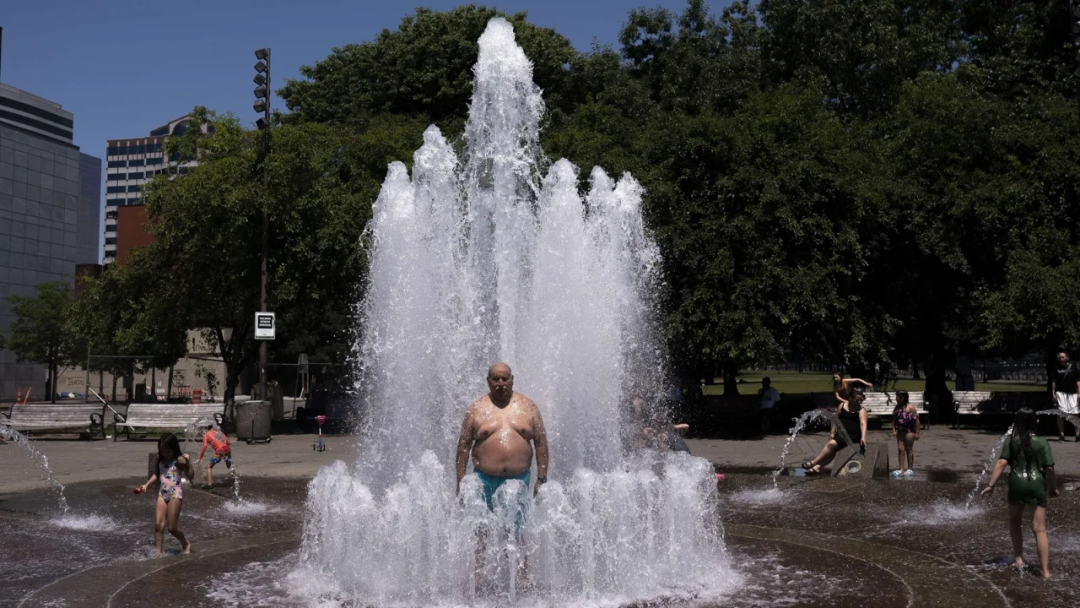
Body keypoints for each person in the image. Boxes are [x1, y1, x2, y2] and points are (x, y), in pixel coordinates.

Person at [456, 363, 549, 524]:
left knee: (513, 535)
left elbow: (541, 444)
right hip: (483, 481)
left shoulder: (528, 407)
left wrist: (541, 479)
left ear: (512, 380)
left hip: (518, 481)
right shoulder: (476, 409)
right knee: (481, 535)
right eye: (495, 379)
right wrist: (460, 484)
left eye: (504, 379)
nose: (500, 383)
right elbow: (463, 448)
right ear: (488, 381)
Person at [980, 408, 1059, 579]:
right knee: (1039, 529)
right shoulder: (1042, 442)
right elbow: (1050, 469)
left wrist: (991, 485)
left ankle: (1019, 559)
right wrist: (1052, 487)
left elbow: (1001, 463)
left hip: (1017, 484)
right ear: (1035, 422)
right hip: (1037, 485)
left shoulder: (1011, 440)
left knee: (1015, 522)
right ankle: (1045, 571)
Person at [139, 433, 194, 556]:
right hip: (162, 493)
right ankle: (159, 554)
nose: (165, 454)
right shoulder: (161, 459)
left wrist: (188, 463)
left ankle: (185, 542)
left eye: (168, 451)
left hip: (175, 494)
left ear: (174, 448)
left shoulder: (179, 460)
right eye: (162, 451)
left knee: (171, 528)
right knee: (158, 525)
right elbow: (157, 474)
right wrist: (146, 484)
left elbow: (191, 476)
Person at [804, 389, 868, 474]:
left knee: (831, 444)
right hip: (841, 434)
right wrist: (832, 432)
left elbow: (863, 424)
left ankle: (813, 462)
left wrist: (863, 437)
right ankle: (817, 467)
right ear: (851, 398)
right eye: (857, 400)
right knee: (832, 449)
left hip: (853, 436)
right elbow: (835, 420)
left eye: (861, 400)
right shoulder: (842, 405)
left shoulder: (861, 410)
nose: (859, 402)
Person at [1051, 350, 1080, 442]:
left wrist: (1079, 393)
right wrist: (1053, 393)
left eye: (1062, 357)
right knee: (1061, 413)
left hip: (1072, 393)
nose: (1061, 359)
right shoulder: (1056, 367)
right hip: (1061, 392)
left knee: (1075, 413)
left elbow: (1078, 381)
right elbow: (1054, 381)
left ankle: (1077, 435)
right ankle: (1061, 434)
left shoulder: (1074, 367)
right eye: (1059, 357)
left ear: (1067, 358)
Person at [891, 390, 920, 476]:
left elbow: (917, 420)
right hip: (900, 430)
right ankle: (901, 469)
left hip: (909, 431)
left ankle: (910, 468)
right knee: (900, 449)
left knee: (909, 449)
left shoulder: (910, 407)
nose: (896, 398)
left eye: (897, 397)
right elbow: (894, 420)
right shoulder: (897, 408)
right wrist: (893, 430)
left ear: (902, 398)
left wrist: (917, 432)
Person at [197, 423, 233, 489]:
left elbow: (204, 446)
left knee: (209, 466)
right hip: (227, 450)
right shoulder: (218, 432)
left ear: (206, 429)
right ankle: (234, 479)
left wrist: (200, 457)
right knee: (229, 466)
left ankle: (210, 484)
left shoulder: (206, 435)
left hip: (219, 451)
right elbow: (228, 442)